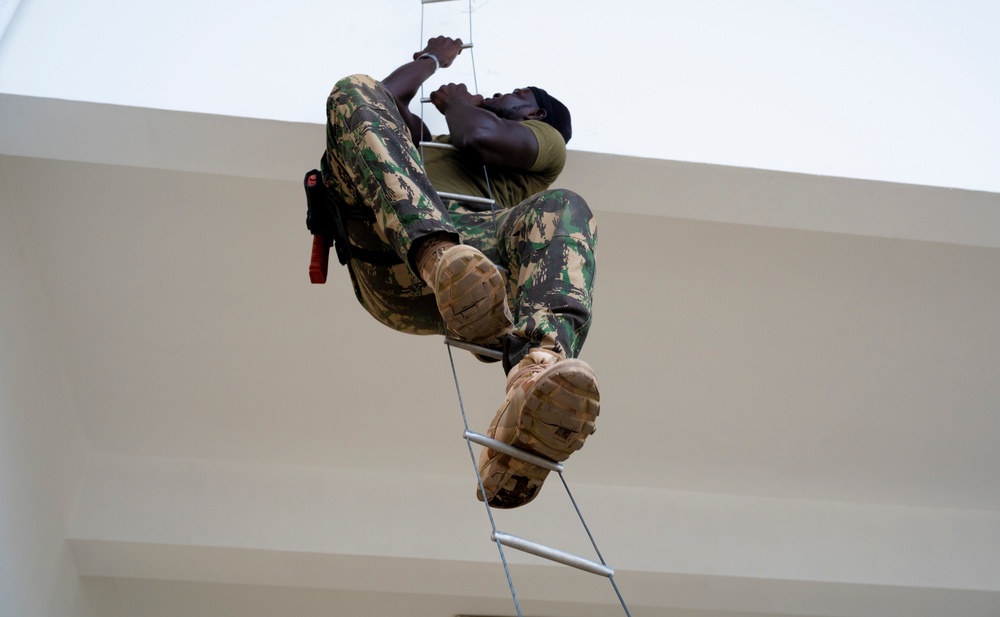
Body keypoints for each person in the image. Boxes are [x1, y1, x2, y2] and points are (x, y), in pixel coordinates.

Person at [317, 36, 599, 508]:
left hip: (474, 254)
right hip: (393, 251)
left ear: (535, 114)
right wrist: (432, 61)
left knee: (565, 207)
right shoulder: (434, 147)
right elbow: (377, 100)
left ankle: (535, 375)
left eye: (515, 94)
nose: (497, 95)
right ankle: (437, 257)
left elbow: (480, 136)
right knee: (353, 90)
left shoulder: (545, 143)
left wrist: (460, 104)